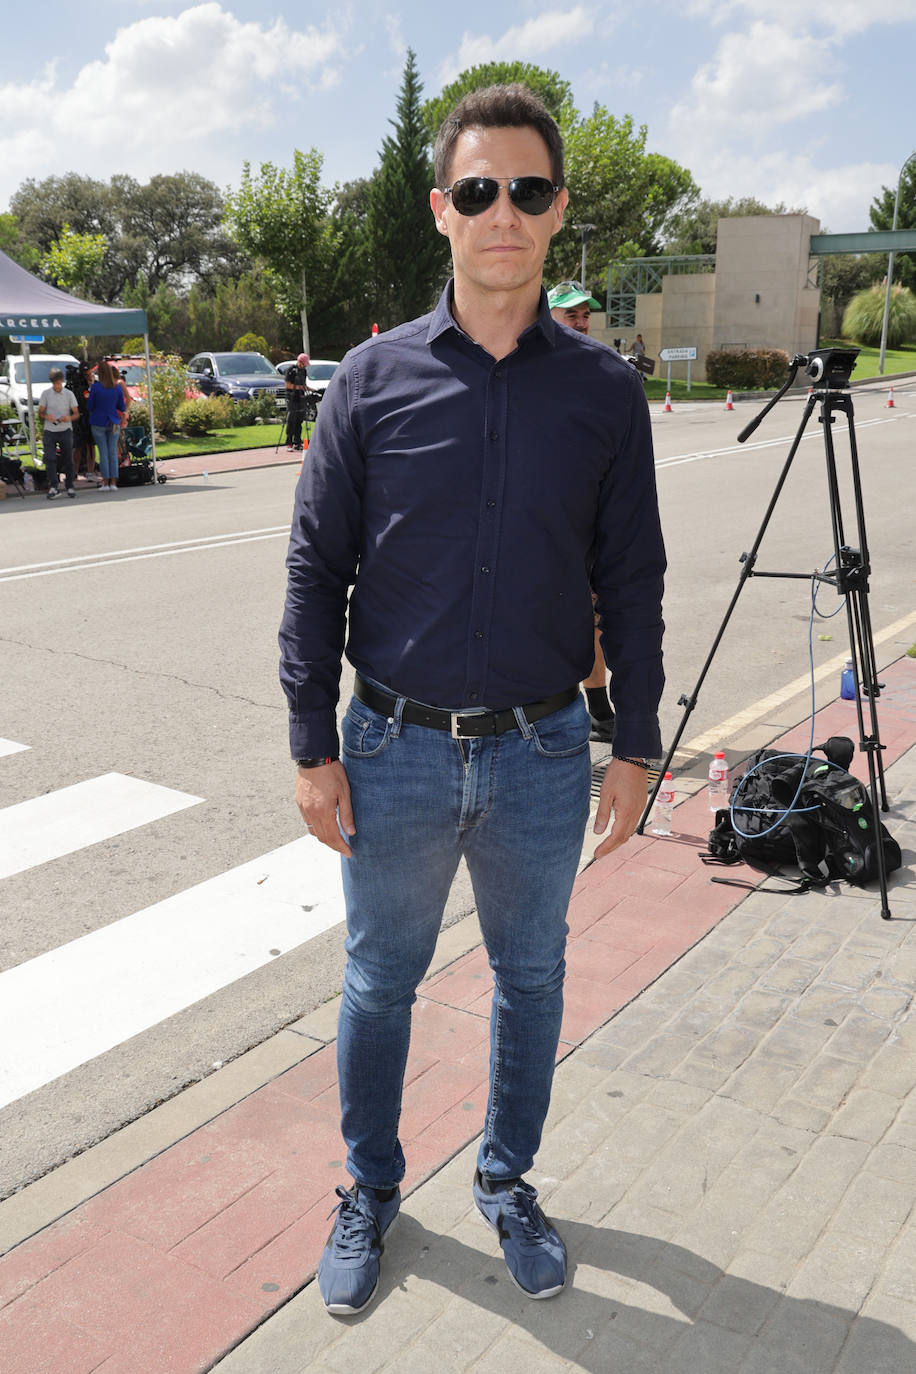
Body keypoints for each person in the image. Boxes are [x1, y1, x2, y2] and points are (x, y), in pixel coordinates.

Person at [279, 83, 665, 1318]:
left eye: (530, 191)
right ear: (441, 209)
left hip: (544, 754)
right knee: (379, 980)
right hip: (387, 746)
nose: (505, 212)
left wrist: (636, 742)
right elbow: (314, 566)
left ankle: (505, 1180)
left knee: (531, 978)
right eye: (481, 190)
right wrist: (309, 742)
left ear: (556, 216)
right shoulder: (369, 379)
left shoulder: (604, 392)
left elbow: (633, 576)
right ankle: (370, 1189)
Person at [547, 280, 617, 743]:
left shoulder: (595, 371)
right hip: (550, 521)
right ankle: (579, 707)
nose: (581, 320)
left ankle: (597, 707)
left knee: (595, 617)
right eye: (570, 313)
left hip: (591, 518)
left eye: (585, 314)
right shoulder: (536, 368)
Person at [37, 368, 80, 499]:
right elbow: (40, 413)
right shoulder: (46, 394)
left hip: (65, 429)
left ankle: (69, 485)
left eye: (59, 383)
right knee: (50, 458)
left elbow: (76, 413)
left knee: (68, 459)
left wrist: (69, 418)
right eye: (55, 383)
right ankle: (54, 485)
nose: (57, 386)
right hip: (50, 430)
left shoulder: (68, 394)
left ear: (62, 381)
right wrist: (46, 416)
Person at [87, 359, 126, 491]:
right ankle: (114, 482)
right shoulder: (117, 387)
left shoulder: (96, 387)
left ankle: (105, 482)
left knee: (103, 453)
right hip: (113, 420)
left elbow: (90, 405)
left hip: (98, 421)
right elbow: (121, 406)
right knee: (112, 452)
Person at [285, 352, 311, 452]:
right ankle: (289, 442)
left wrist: (309, 389)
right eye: (304, 364)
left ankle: (297, 442)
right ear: (299, 362)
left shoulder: (303, 371)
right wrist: (301, 387)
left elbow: (304, 384)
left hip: (301, 398)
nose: (305, 366)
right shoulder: (291, 370)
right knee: (291, 420)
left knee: (299, 421)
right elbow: (288, 385)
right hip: (291, 398)